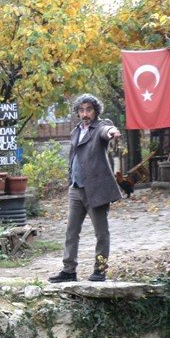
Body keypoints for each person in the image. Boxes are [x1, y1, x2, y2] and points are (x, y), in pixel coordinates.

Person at [48, 94, 122, 283]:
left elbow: (107, 130)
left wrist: (113, 131)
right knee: (71, 232)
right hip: (75, 188)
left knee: (101, 232)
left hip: (96, 189)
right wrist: (70, 178)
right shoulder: (75, 131)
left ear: (96, 111)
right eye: (81, 110)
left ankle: (100, 270)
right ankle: (69, 270)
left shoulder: (100, 127)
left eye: (88, 110)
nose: (85, 114)